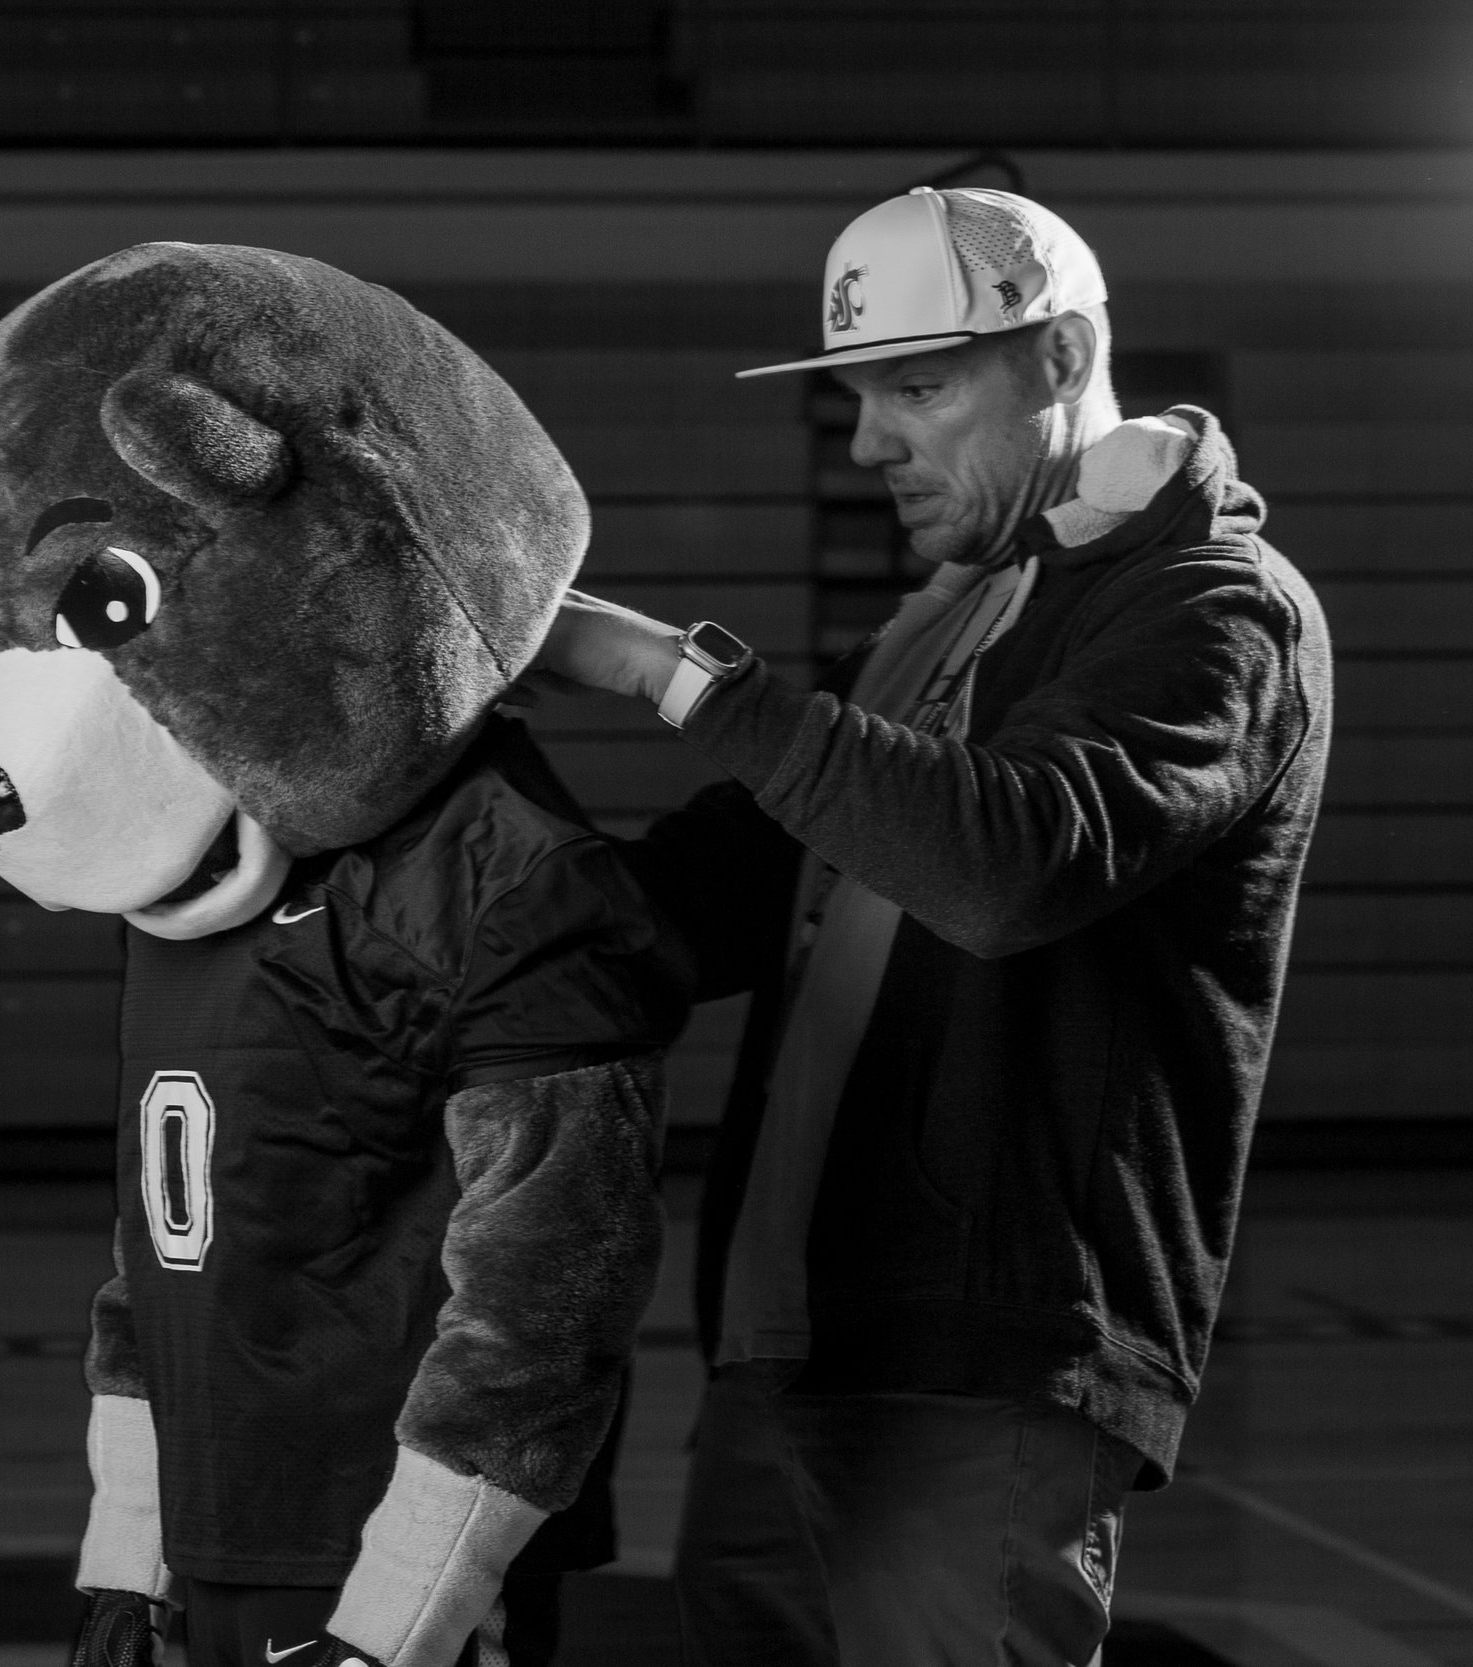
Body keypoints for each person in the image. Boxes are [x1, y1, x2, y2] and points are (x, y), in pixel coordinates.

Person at [527, 186, 1333, 1665]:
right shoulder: (940, 623)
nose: (868, 444)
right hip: (792, 1340)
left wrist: (666, 672)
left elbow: (1004, 867)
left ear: (1063, 356)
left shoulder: (1217, 609)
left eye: (918, 389)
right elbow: (683, 907)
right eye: (856, 398)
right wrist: (433, 765)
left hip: (980, 1356)